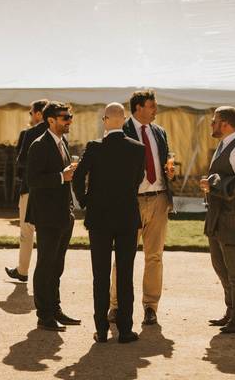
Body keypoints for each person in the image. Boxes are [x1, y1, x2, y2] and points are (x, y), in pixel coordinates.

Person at [73, 103, 144, 343]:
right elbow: (139, 179)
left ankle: (101, 329)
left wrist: (86, 202)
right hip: (127, 217)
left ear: (105, 120)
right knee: (125, 275)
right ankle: (125, 329)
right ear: (124, 120)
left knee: (100, 275)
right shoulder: (138, 149)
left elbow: (77, 179)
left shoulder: (94, 148)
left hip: (99, 218)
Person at [110, 89, 175, 327]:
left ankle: (150, 307)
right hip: (131, 201)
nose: (155, 110)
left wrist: (170, 173)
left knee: (155, 256)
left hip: (159, 199)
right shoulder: (120, 131)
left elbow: (164, 161)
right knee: (123, 257)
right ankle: (116, 306)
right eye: (152, 106)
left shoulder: (160, 132)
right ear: (138, 108)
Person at [200, 106, 235, 334]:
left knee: (234, 269)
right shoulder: (224, 145)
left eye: (214, 121)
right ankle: (231, 310)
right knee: (220, 266)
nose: (211, 125)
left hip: (233, 217)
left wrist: (213, 184)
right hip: (217, 216)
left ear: (225, 123)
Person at [26, 101, 79, 331]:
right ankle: (44, 315)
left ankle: (55, 308)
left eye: (70, 117)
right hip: (47, 216)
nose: (69, 121)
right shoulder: (39, 145)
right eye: (65, 117)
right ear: (51, 120)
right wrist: (61, 176)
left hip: (64, 214)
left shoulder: (62, 142)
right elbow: (33, 181)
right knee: (46, 264)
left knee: (57, 265)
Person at [5, 99, 48, 283]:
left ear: (39, 114)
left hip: (30, 187)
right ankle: (44, 272)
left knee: (27, 231)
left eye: (31, 113)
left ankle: (23, 271)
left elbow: (21, 161)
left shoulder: (30, 133)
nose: (30, 117)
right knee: (47, 232)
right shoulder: (60, 132)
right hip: (51, 188)